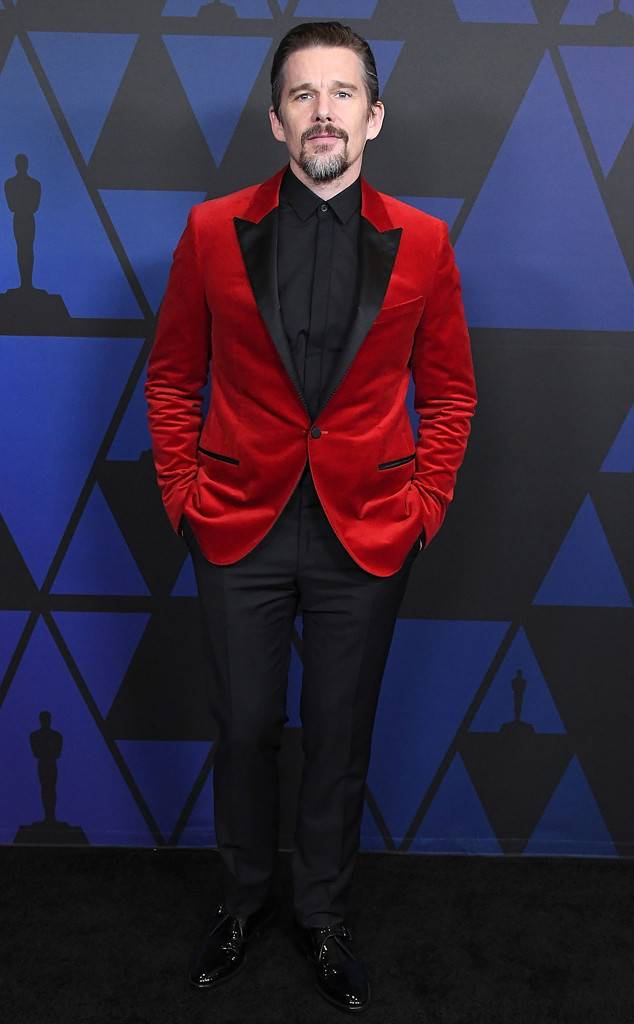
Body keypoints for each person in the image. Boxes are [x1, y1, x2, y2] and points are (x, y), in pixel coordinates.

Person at [144, 20, 476, 1014]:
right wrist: (183, 495)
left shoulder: (425, 242)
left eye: (341, 93)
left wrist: (423, 505)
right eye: (302, 93)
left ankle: (323, 913)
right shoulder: (212, 231)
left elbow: (449, 391)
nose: (322, 111)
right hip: (235, 521)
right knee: (246, 728)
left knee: (339, 734)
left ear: (372, 117)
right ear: (276, 119)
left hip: (367, 527)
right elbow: (172, 377)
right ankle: (244, 900)